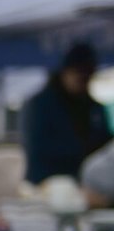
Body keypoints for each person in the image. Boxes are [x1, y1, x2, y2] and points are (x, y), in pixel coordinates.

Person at [24, 43, 109, 184]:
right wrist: (85, 150)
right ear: (65, 71)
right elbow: (38, 149)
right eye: (79, 74)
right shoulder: (40, 105)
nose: (83, 81)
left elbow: (104, 143)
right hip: (47, 183)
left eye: (88, 75)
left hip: (87, 183)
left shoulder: (93, 107)